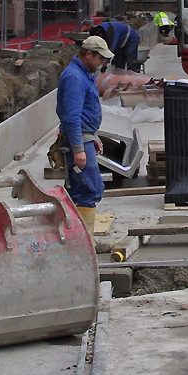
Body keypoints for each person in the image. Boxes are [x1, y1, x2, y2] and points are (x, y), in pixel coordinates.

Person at [54, 35, 113, 238]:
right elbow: (72, 116)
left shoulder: (83, 73)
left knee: (79, 189)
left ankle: (75, 237)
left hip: (83, 137)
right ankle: (82, 241)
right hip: (77, 142)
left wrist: (92, 135)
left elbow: (84, 111)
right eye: (100, 58)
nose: (102, 63)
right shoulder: (75, 78)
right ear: (89, 54)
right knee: (90, 190)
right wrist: (79, 148)